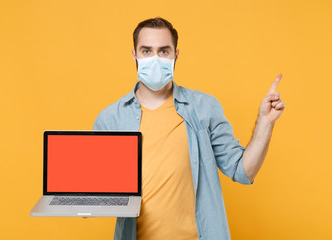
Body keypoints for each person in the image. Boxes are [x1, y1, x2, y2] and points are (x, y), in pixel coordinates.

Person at [93, 17, 285, 240]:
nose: (155, 58)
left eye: (163, 51)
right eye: (146, 51)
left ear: (176, 55)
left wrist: (265, 122)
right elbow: (101, 192)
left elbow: (243, 171)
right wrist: (86, 200)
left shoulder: (205, 108)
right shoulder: (110, 119)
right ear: (134, 56)